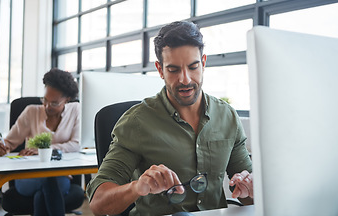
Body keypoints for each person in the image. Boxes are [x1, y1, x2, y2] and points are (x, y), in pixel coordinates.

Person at [86, 21, 253, 216]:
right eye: (173, 70)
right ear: (160, 69)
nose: (185, 79)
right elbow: (98, 203)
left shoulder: (228, 117)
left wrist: (249, 188)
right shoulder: (136, 122)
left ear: (204, 63)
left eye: (193, 67)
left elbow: (248, 195)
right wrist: (136, 187)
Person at [0, 68, 80, 216]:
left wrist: (45, 150)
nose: (47, 106)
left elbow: (76, 144)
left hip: (60, 175)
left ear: (67, 99)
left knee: (43, 194)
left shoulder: (75, 110)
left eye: (54, 103)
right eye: (45, 100)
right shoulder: (31, 112)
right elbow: (9, 142)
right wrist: (3, 148)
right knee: (48, 182)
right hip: (28, 177)